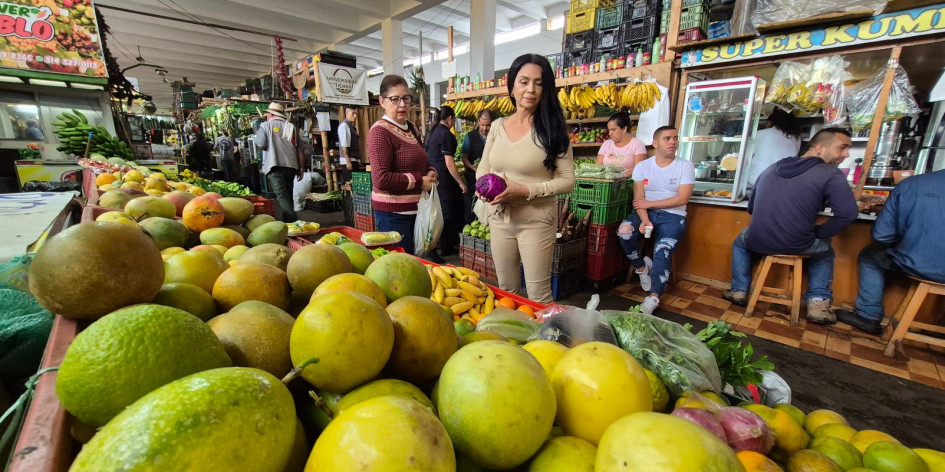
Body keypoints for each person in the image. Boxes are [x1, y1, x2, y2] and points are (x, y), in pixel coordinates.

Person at [724, 128, 858, 324]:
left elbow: (751, 208)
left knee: (740, 242)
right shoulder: (830, 173)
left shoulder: (771, 168)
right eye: (842, 148)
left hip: (757, 238)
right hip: (797, 243)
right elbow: (847, 213)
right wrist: (820, 232)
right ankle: (818, 305)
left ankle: (738, 290)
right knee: (824, 250)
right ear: (819, 148)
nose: (846, 154)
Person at [476, 54, 574, 304]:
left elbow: (567, 180)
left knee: (538, 295)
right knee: (507, 289)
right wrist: (483, 189)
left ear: (546, 88)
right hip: (500, 217)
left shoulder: (553, 129)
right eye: (524, 81)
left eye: (539, 83)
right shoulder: (497, 126)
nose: (530, 89)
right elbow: (483, 168)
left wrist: (526, 190)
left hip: (536, 220)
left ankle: (543, 342)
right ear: (512, 85)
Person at [835, 170, 945, 334]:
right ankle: (937, 325)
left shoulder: (912, 184)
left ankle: (868, 315)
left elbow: (882, 235)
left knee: (869, 256)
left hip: (914, 263)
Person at [618, 126, 694, 315]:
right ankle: (642, 268)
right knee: (624, 232)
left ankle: (653, 297)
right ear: (655, 143)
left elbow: (682, 199)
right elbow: (638, 199)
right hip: (645, 212)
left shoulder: (685, 166)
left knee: (663, 249)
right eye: (667, 138)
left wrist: (649, 204)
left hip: (673, 216)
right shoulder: (643, 166)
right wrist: (644, 220)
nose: (672, 142)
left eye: (675, 138)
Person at [368, 74, 437, 255]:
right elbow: (381, 180)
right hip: (393, 217)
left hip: (417, 212)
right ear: (382, 101)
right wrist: (419, 181)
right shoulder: (379, 132)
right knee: (398, 271)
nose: (402, 104)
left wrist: (430, 171)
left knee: (415, 266)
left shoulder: (411, 128)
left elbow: (423, 159)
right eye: (395, 99)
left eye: (405, 98)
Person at [255, 102, 304, 222]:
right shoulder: (291, 127)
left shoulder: (265, 126)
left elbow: (261, 144)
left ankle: (294, 222)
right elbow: (300, 150)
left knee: (282, 196)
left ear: (271, 114)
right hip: (291, 166)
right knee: (288, 194)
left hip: (274, 165)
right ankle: (288, 222)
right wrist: (301, 169)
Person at [425, 105, 464, 260]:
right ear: (450, 119)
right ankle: (434, 248)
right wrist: (461, 182)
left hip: (434, 176)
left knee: (440, 212)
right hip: (443, 178)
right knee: (445, 214)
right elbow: (449, 163)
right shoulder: (445, 134)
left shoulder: (433, 131)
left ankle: (445, 246)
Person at [746, 107, 802, 187]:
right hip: (784, 181)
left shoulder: (763, 133)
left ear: (771, 122)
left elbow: (745, 155)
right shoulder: (797, 138)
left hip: (758, 179)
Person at [461, 110, 492, 223]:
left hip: (491, 183)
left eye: (487, 125)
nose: (484, 128)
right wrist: (473, 167)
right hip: (472, 180)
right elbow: (464, 157)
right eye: (482, 125)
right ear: (478, 122)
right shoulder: (469, 137)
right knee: (471, 210)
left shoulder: (496, 137)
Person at [597, 111, 648, 178]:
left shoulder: (637, 144)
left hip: (628, 183)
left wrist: (620, 176)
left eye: (613, 130)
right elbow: (598, 166)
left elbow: (639, 169)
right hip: (607, 183)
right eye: (609, 130)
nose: (610, 133)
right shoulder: (606, 144)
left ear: (624, 129)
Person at [337, 107, 361, 183]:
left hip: (354, 159)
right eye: (352, 114)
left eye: (356, 114)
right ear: (346, 114)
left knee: (356, 184)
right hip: (349, 160)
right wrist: (348, 161)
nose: (355, 116)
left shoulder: (352, 127)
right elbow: (344, 145)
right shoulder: (344, 126)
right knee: (350, 184)